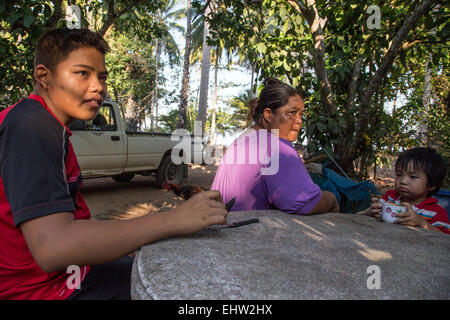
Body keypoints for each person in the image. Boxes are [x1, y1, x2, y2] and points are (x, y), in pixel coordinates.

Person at [0, 28, 227, 300]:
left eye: (102, 76)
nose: (98, 87)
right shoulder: (33, 127)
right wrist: (174, 220)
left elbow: (66, 220)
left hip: (70, 273)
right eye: (83, 73)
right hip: (46, 290)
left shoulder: (43, 123)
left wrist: (121, 241)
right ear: (44, 76)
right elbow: (53, 247)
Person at [211, 78, 339, 215]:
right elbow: (302, 203)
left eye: (300, 114)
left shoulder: (240, 142)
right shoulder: (277, 147)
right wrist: (332, 199)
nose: (299, 120)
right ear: (268, 115)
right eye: (292, 113)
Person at [368, 147, 449, 234]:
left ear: (431, 185)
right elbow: (361, 216)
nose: (403, 181)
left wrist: (421, 223)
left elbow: (445, 238)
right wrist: (371, 212)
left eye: (413, 177)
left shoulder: (435, 212)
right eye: (399, 175)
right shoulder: (390, 198)